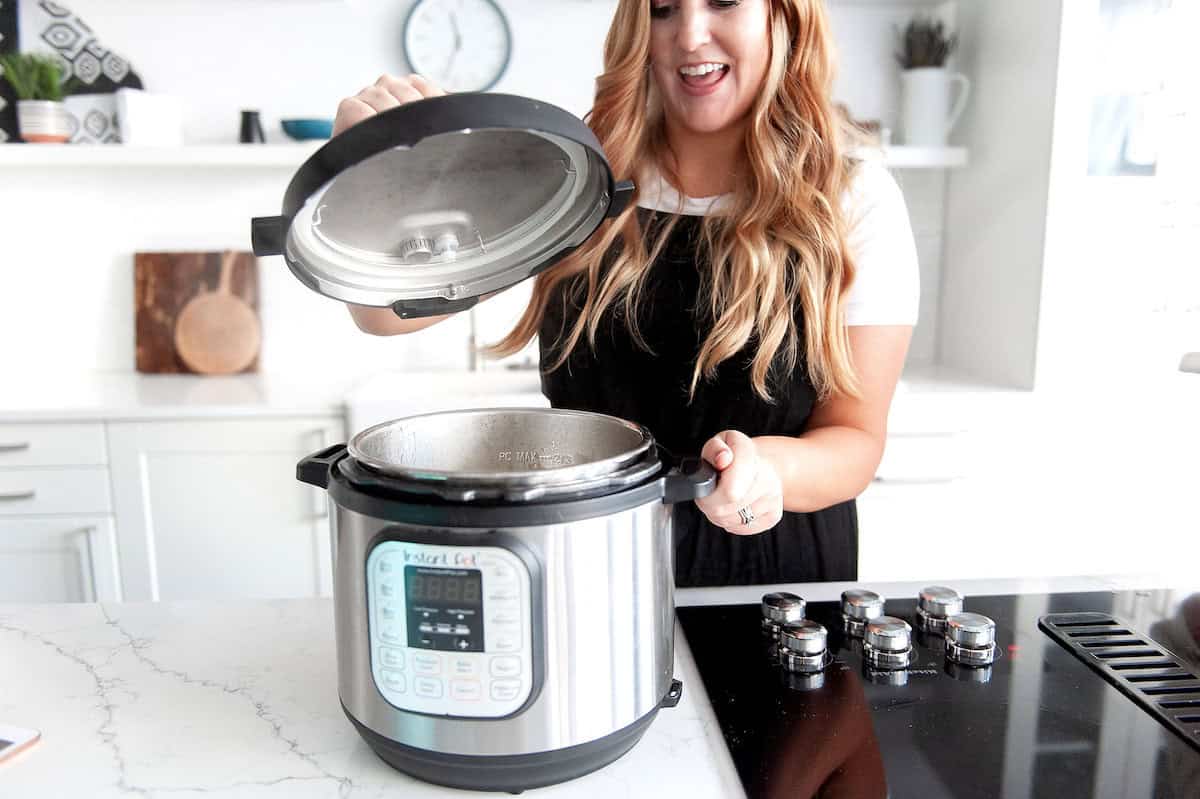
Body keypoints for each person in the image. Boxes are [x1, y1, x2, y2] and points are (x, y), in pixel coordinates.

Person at [336, 0, 918, 587]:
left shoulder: (852, 196)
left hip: (770, 580)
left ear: (783, 16)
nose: (689, 35)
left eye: (722, 3)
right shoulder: (577, 176)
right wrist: (374, 175)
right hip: (587, 566)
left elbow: (855, 438)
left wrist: (769, 471)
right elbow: (384, 314)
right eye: (663, 9)